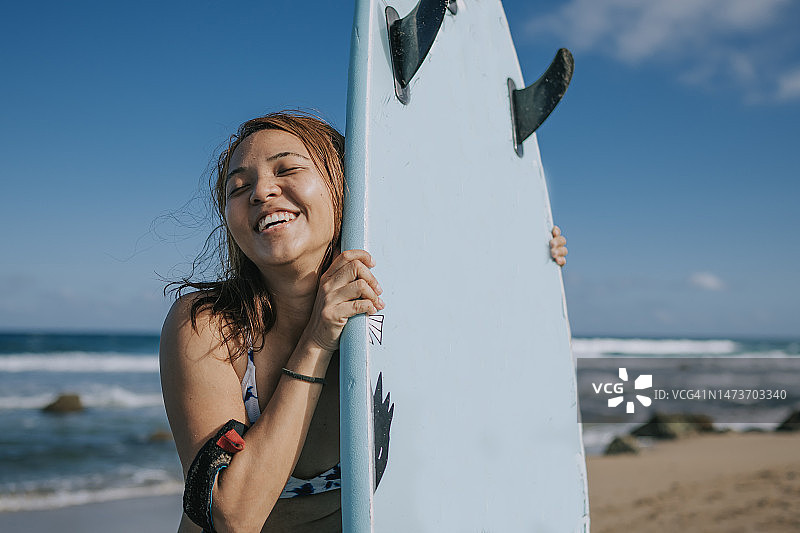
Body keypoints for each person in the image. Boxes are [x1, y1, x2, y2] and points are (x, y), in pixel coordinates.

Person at [160, 110, 569, 533]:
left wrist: (537, 253)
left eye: (288, 169)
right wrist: (318, 341)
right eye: (238, 187)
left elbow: (492, 310)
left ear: (341, 187)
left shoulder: (394, 305)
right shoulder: (209, 326)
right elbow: (233, 515)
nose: (261, 191)